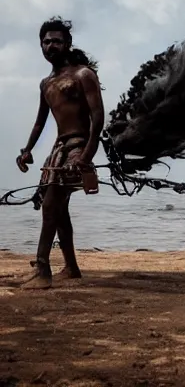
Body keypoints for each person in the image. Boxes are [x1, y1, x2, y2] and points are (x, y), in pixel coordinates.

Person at [15, 17, 104, 289]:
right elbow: (40, 121)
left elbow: (98, 118)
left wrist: (86, 155)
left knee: (51, 204)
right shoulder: (46, 83)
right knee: (59, 209)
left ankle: (42, 269)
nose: (50, 45)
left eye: (56, 41)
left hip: (77, 146)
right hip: (58, 149)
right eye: (45, 41)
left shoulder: (83, 75)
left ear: (67, 44)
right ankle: (72, 268)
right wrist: (27, 150)